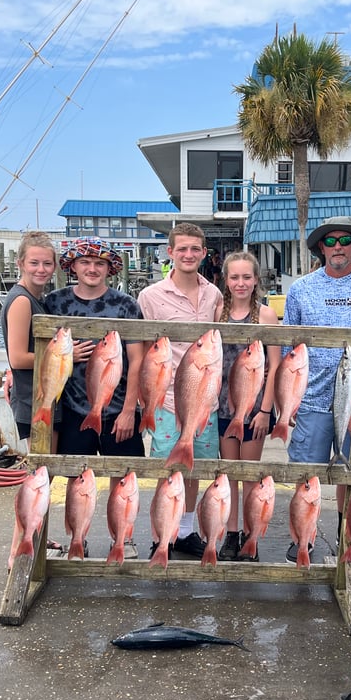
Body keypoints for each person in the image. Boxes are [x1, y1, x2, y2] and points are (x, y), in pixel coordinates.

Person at [282, 216, 351, 561]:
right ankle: (302, 539)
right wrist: (288, 398)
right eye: (329, 241)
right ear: (320, 248)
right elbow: (287, 347)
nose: (337, 246)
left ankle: (347, 535)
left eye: (344, 240)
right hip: (309, 396)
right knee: (305, 472)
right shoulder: (301, 288)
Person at [137, 222, 224, 559]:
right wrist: (146, 397)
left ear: (204, 254)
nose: (188, 255)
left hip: (204, 399)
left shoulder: (213, 293)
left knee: (194, 469)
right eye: (182, 249)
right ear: (170, 252)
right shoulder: (151, 296)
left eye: (195, 249)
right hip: (167, 399)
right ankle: (163, 534)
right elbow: (145, 351)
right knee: (165, 469)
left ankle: (185, 531)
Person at [45, 237, 144, 466]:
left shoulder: (127, 305)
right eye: (85, 262)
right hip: (72, 410)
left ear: (110, 268)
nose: (92, 269)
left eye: (100, 263)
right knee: (74, 479)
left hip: (119, 410)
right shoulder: (54, 302)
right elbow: (40, 350)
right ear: (73, 266)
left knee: (125, 479)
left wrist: (129, 411)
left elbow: (137, 360)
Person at [215, 251, 280, 561]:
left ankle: (251, 535)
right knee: (230, 473)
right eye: (234, 277)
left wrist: (266, 410)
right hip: (225, 406)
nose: (240, 283)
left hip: (255, 408)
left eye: (246, 277)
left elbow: (276, 365)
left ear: (256, 280)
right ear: (226, 280)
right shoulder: (218, 312)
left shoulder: (266, 315)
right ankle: (231, 533)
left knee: (250, 473)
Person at [1, 230, 57, 442]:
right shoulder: (22, 301)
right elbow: (17, 358)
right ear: (21, 264)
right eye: (34, 263)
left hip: (41, 397)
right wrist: (65, 357)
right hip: (31, 401)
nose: (41, 270)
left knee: (48, 469)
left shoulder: (37, 299)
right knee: (42, 470)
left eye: (47, 264)